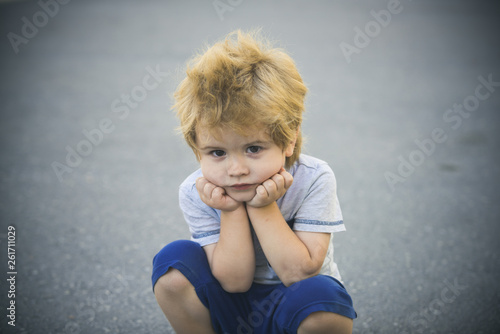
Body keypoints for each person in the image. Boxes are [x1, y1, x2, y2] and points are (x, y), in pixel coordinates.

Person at [152, 29, 356, 334]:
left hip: (294, 305)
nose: (236, 169)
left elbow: (300, 274)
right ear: (197, 150)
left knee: (322, 299)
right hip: (232, 308)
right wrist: (231, 211)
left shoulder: (314, 178)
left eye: (253, 148)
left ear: (289, 138)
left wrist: (264, 206)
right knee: (173, 261)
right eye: (218, 152)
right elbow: (234, 282)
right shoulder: (199, 191)